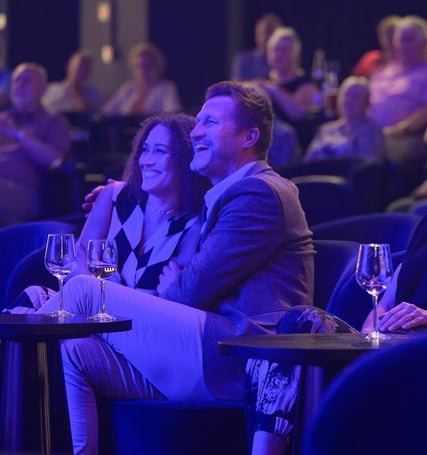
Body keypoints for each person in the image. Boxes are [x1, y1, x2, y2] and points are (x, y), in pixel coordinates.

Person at [36, 81, 314, 454]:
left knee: (84, 291)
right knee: (76, 348)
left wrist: (176, 285)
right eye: (197, 123)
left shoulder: (259, 192)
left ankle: (24, 326)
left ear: (249, 137)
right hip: (207, 351)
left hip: (241, 357)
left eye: (210, 123)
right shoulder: (228, 195)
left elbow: (187, 292)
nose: (196, 132)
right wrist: (127, 188)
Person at [249, 96, 427, 454]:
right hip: (388, 348)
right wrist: (368, 338)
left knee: (297, 351)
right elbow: (379, 310)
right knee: (292, 334)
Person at [4, 113, 209, 313]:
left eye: (160, 151)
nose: (146, 160)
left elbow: (169, 303)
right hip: (87, 312)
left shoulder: (193, 225)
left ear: (186, 158)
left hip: (133, 330)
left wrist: (106, 297)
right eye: (145, 150)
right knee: (34, 296)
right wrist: (98, 298)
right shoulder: (114, 196)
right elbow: (77, 259)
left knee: (48, 328)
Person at [369, 15, 427, 196]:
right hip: (374, 134)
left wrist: (394, 131)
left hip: (409, 138)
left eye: (409, 39)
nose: (403, 45)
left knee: (371, 153)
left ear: (426, 42)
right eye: (400, 40)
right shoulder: (381, 72)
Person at [0, 62, 70, 226]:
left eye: (27, 81)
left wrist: (17, 134)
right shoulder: (3, 118)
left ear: (43, 89)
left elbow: (55, 160)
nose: (20, 85)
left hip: (24, 192)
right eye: (16, 80)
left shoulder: (55, 121)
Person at [251, 27, 319, 150]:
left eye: (284, 50)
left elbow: (298, 113)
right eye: (275, 50)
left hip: (293, 149)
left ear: (296, 53)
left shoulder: (306, 83)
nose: (278, 55)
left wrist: (274, 90)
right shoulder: (261, 81)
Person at [304, 76, 383, 162]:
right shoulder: (326, 129)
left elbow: (365, 166)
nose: (349, 100)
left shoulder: (371, 131)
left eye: (355, 97)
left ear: (366, 102)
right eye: (346, 95)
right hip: (318, 174)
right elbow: (308, 163)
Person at [102, 42, 182, 116]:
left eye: (147, 66)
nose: (143, 71)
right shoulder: (128, 89)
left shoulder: (166, 88)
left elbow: (173, 114)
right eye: (139, 67)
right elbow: (106, 112)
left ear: (157, 66)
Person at [231, 13, 282, 81]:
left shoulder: (283, 60)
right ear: (256, 35)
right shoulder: (243, 59)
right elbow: (236, 87)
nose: (265, 37)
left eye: (270, 32)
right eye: (262, 32)